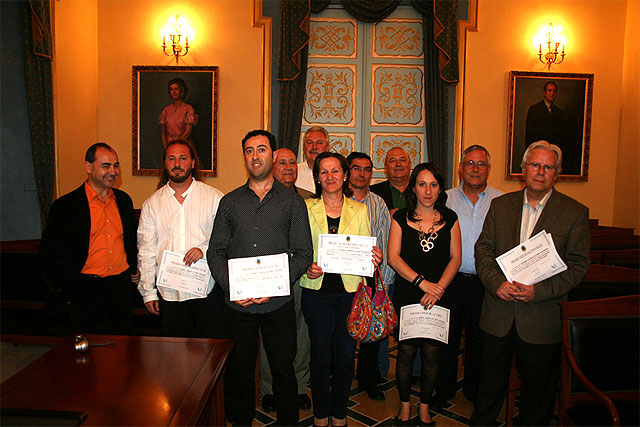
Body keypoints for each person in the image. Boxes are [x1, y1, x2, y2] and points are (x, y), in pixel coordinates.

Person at [470, 141, 590, 426]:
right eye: (535, 165)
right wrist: (496, 283)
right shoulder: (501, 206)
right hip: (498, 312)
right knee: (488, 386)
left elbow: (578, 266)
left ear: (557, 173)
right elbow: (483, 250)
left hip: (541, 316)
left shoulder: (574, 212)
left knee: (538, 392)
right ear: (523, 169)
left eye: (548, 167)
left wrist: (539, 292)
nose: (540, 171)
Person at [207, 130, 313, 426]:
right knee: (239, 371)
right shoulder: (229, 202)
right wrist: (231, 288)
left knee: (283, 369)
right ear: (245, 157)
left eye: (261, 149)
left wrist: (274, 286)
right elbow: (214, 252)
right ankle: (240, 422)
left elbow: (304, 253)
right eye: (249, 151)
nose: (255, 156)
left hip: (278, 303)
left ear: (273, 155)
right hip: (238, 304)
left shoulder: (292, 203)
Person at [301, 152, 383, 427]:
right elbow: (298, 250)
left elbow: (366, 249)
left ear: (345, 175)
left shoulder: (360, 210)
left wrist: (374, 257)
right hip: (316, 292)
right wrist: (306, 267)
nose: (330, 177)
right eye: (323, 172)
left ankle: (340, 414)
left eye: (335, 171)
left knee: (346, 356)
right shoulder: (306, 208)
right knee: (320, 355)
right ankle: (321, 414)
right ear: (317, 177)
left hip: (350, 293)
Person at [388, 162, 462, 426]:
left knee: (432, 355)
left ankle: (425, 407)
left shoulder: (450, 218)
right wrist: (422, 283)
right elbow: (393, 258)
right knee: (405, 353)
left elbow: (456, 258)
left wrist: (438, 288)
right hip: (409, 294)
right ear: (413, 187)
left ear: (440, 188)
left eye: (433, 184)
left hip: (439, 297)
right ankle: (405, 405)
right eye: (422, 184)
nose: (427, 190)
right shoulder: (399, 218)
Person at [39, 143, 138, 335]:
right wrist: (66, 294)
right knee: (87, 356)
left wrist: (134, 269)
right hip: (84, 291)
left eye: (116, 166)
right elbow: (50, 255)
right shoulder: (66, 206)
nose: (113, 172)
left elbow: (131, 242)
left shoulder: (124, 201)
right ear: (88, 167)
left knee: (121, 352)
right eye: (106, 166)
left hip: (119, 290)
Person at [434, 145, 503, 406]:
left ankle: (474, 390)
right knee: (446, 339)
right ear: (461, 168)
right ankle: (444, 389)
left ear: (488, 169)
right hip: (450, 282)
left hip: (485, 284)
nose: (475, 169)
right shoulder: (444, 199)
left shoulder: (502, 201)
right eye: (470, 163)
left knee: (479, 341)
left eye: (481, 164)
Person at [137, 139, 226, 338]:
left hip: (208, 291)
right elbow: (146, 251)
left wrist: (203, 249)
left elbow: (226, 238)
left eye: (183, 158)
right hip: (169, 294)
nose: (177, 163)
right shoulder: (152, 204)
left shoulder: (214, 198)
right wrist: (148, 292)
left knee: (212, 353)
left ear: (193, 163)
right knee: (174, 356)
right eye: (172, 158)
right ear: (165, 164)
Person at [259, 147, 312, 413]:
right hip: (269, 276)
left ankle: (300, 386)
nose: (289, 167)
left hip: (302, 275)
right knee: (270, 332)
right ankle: (269, 389)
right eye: (282, 162)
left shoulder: (311, 199)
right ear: (271, 165)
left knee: (301, 330)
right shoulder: (259, 197)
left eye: (293, 162)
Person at [346, 152, 395, 402]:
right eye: (356, 168)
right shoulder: (336, 199)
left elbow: (386, 242)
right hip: (342, 278)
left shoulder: (379, 203)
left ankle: (369, 379)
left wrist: (383, 282)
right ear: (348, 170)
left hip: (370, 278)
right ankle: (340, 376)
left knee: (370, 332)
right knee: (342, 332)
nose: (362, 174)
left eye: (367, 169)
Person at [370, 146, 412, 213]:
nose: (398, 164)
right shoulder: (372, 193)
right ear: (385, 166)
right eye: (393, 161)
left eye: (402, 160)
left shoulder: (421, 191)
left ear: (410, 164)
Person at [159, 77, 198, 148]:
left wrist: (177, 146)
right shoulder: (166, 109)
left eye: (176, 89)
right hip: (169, 145)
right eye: (171, 89)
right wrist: (166, 148)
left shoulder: (188, 108)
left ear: (181, 90)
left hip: (184, 144)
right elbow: (163, 133)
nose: (174, 92)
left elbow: (187, 133)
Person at [525, 81, 563, 147]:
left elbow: (561, 135)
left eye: (554, 91)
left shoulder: (559, 112)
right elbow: (530, 135)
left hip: (554, 151)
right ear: (544, 92)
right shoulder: (534, 110)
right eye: (550, 91)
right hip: (539, 149)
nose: (552, 93)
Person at [297, 126, 330, 193]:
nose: (314, 147)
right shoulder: (294, 172)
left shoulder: (335, 174)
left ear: (327, 147)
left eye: (319, 143)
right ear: (303, 147)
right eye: (310, 143)